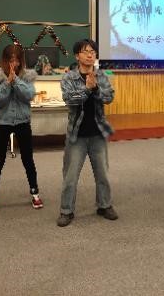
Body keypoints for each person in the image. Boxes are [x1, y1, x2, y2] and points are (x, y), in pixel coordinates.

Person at [57, 39, 117, 227]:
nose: (90, 55)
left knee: (103, 174)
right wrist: (87, 89)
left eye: (93, 51)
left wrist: (96, 88)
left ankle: (104, 205)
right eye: (86, 51)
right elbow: (70, 99)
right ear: (77, 56)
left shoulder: (101, 76)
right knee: (70, 176)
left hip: (98, 133)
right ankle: (66, 210)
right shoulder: (69, 77)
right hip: (77, 135)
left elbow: (109, 97)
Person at [0, 44, 42, 214]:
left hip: (22, 121)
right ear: (5, 60)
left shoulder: (27, 76)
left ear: (21, 61)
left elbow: (28, 95)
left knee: (28, 159)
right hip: (2, 123)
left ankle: (35, 192)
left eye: (17, 60)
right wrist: (7, 83)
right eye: (10, 60)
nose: (14, 64)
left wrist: (15, 80)